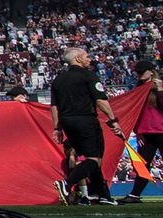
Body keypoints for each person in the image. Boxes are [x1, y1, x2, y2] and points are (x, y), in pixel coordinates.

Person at [49, 46, 120, 206]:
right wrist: (113, 120)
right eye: (86, 56)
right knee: (95, 159)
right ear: (78, 59)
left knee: (90, 158)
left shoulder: (58, 80)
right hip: (85, 120)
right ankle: (66, 184)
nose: (89, 59)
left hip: (67, 122)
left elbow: (54, 106)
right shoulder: (88, 76)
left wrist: (57, 128)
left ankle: (103, 196)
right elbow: (101, 100)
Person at [128, 58, 163, 203]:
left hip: (161, 130)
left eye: (142, 72)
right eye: (138, 73)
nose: (139, 75)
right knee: (142, 164)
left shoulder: (159, 87)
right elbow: (135, 113)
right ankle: (135, 195)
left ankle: (135, 195)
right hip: (146, 133)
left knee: (143, 164)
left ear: (151, 72)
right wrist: (138, 132)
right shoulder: (138, 89)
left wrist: (160, 91)